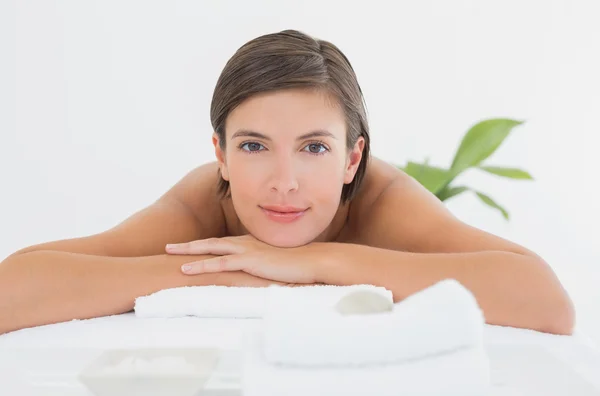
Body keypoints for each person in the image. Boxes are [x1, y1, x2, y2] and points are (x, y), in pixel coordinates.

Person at [0, 30, 574, 335]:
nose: (284, 183)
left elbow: (547, 301)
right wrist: (230, 272)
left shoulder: (383, 200)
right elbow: (13, 288)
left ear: (353, 161)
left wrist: (318, 264)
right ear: (220, 155)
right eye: (253, 146)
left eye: (315, 149)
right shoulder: (204, 203)